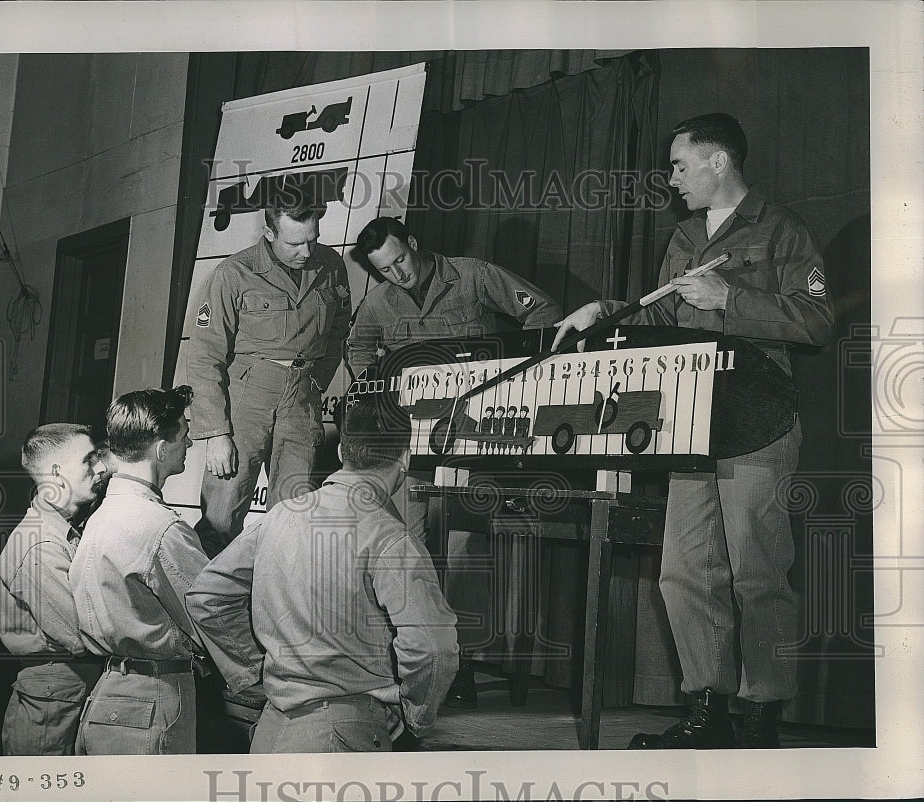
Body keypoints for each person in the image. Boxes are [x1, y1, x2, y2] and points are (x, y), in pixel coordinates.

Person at [553, 113, 834, 748]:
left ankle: (761, 714)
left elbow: (817, 320)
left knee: (757, 572)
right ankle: (707, 707)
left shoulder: (782, 228)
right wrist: (605, 312)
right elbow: (665, 330)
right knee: (682, 571)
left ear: (718, 162)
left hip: (757, 419)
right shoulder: (682, 237)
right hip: (689, 418)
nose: (672, 177)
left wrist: (730, 300)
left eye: (681, 165)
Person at [346, 216, 562, 708]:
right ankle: (417, 665)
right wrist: (375, 386)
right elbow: (359, 344)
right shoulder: (379, 301)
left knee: (464, 551)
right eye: (384, 271)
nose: (396, 275)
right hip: (414, 438)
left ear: (415, 245)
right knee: (407, 548)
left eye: (400, 261)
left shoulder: (472, 275)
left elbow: (543, 310)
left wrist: (516, 372)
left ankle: (459, 665)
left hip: (474, 434)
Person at [186, 395, 458, 753]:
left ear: (343, 452)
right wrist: (415, 714)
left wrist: (255, 670)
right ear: (405, 459)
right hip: (340, 741)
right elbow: (434, 648)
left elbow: (206, 596)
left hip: (269, 734)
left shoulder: (279, 517)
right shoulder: (390, 537)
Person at [187, 197, 352, 557]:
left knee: (294, 515)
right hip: (246, 398)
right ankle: (206, 605)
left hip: (301, 399)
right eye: (294, 243)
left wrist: (315, 382)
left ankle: (276, 603)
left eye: (312, 238)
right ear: (268, 231)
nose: (306, 251)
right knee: (222, 515)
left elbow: (339, 330)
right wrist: (217, 432)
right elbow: (204, 356)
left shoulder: (331, 264)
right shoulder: (234, 274)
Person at [69, 386, 211, 754]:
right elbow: (211, 614)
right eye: (184, 434)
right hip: (153, 697)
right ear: (162, 449)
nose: (190, 443)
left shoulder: (99, 518)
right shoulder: (161, 528)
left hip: (105, 695)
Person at [0, 424, 106, 755]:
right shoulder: (39, 545)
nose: (100, 468)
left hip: (66, 696)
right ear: (57, 473)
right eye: (89, 460)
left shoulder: (64, 533)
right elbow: (80, 633)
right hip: (53, 705)